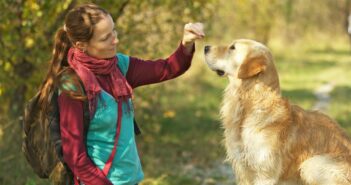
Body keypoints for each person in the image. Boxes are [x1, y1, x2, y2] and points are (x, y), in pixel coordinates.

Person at [37, 3, 204, 185]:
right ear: (81, 45)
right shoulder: (72, 85)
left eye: (114, 31)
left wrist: (186, 44)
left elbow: (166, 69)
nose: (115, 40)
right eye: (105, 38)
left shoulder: (119, 66)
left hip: (130, 180)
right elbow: (75, 156)